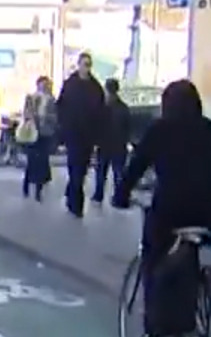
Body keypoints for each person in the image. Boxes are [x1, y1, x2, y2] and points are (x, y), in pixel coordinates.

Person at [113, 79, 211, 337]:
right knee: (190, 249)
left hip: (171, 211)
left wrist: (121, 194)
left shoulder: (160, 129)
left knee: (153, 256)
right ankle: (193, 308)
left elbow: (137, 165)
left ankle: (155, 327)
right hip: (210, 214)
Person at [56, 52, 106, 217]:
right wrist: (63, 128)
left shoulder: (95, 87)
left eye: (89, 65)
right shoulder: (70, 84)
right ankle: (76, 203)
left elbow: (101, 112)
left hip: (88, 136)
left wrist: (98, 136)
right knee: (74, 167)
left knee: (81, 169)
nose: (86, 68)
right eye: (84, 64)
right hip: (73, 134)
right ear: (78, 65)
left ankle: (72, 194)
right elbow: (61, 107)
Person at [92, 77, 130, 204]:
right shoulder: (124, 108)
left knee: (101, 172)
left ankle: (98, 195)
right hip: (119, 145)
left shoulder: (102, 107)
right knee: (118, 173)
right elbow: (127, 128)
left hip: (105, 144)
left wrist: (96, 141)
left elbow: (97, 126)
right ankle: (119, 197)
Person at [20, 77, 57, 200]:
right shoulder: (31, 98)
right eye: (43, 84)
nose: (45, 87)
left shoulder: (52, 100)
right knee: (31, 159)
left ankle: (38, 189)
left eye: (47, 85)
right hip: (32, 132)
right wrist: (33, 116)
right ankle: (26, 183)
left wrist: (46, 118)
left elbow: (55, 117)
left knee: (42, 160)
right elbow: (26, 113)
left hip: (45, 133)